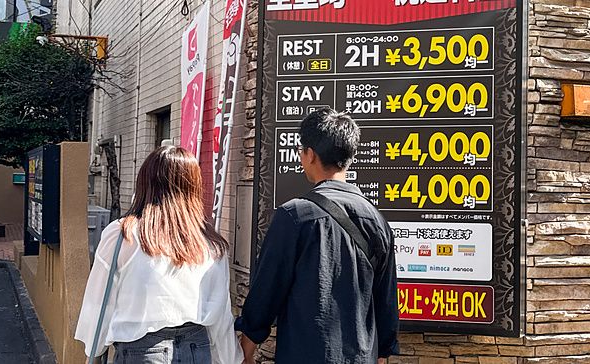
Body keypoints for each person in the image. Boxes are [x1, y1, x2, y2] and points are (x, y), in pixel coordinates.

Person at [235, 108, 399, 364]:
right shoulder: (377, 220)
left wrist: (247, 347)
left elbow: (267, 290)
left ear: (310, 154)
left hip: (303, 354)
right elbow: (386, 301)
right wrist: (382, 353)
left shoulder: (294, 216)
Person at [75, 146, 243, 364]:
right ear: (193, 187)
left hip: (141, 351)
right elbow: (220, 314)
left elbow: (99, 302)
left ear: (145, 183)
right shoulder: (210, 242)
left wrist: (94, 351)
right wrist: (231, 359)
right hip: (197, 349)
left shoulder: (122, 234)